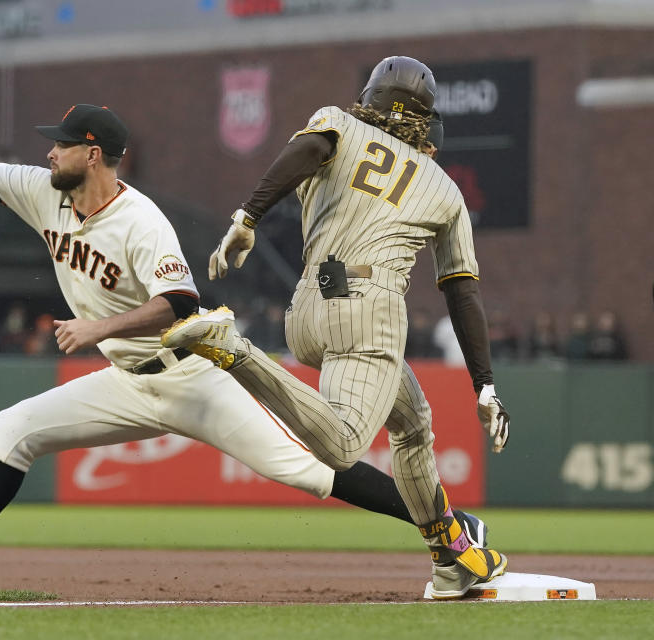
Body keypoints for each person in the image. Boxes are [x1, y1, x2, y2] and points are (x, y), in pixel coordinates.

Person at [0, 50, 485, 592]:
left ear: (91, 153)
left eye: (61, 145)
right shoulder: (46, 194)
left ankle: (449, 528)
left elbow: (184, 307)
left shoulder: (141, 221)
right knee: (14, 428)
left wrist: (99, 328)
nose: (48, 154)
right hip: (126, 380)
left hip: (192, 378)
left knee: (314, 471)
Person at [163, 56, 511, 599]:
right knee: (345, 447)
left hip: (308, 307)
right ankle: (232, 349)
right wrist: (484, 383)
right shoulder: (443, 187)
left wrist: (246, 217)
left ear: (369, 97)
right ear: (427, 122)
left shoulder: (339, 124)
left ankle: (449, 557)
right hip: (369, 307)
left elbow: (307, 151)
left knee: (415, 423)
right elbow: (461, 290)